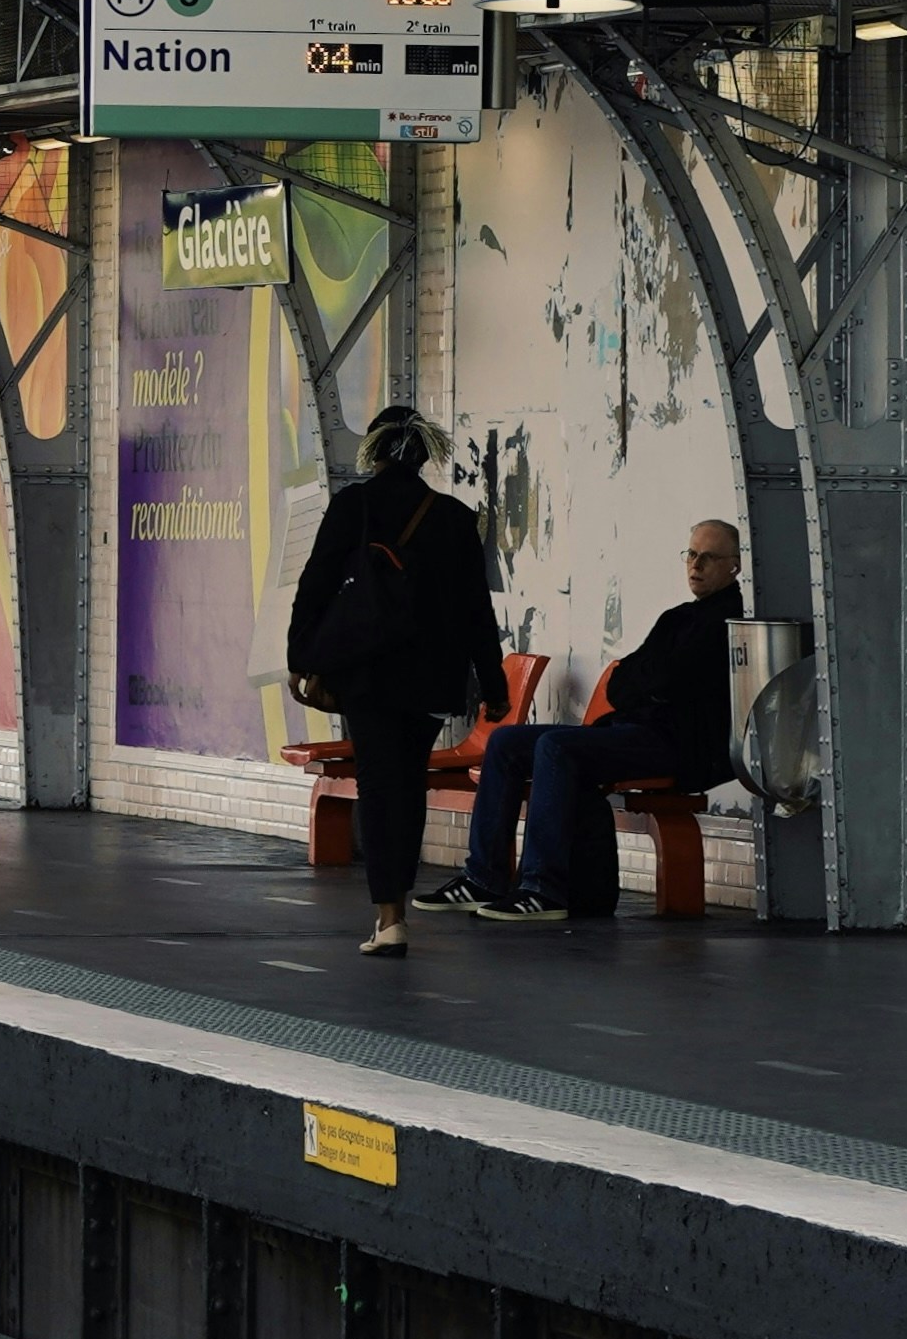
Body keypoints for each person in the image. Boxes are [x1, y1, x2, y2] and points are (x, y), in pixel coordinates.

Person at [285, 405, 501, 959]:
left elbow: (316, 583)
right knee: (408, 784)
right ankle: (394, 910)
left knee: (380, 785)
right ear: (427, 456)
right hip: (432, 678)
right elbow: (477, 608)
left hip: (368, 674)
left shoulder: (354, 507)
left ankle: (390, 917)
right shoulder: (454, 518)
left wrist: (300, 657)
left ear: (375, 453)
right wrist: (494, 683)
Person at [460, 521, 746, 923]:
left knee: (556, 747)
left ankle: (542, 888)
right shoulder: (679, 617)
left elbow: (663, 680)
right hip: (636, 731)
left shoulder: (730, 624)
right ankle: (483, 878)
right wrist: (648, 683)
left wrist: (647, 682)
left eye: (709, 557)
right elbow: (623, 681)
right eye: (691, 554)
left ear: (734, 566)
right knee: (507, 742)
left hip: (677, 746)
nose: (695, 565)